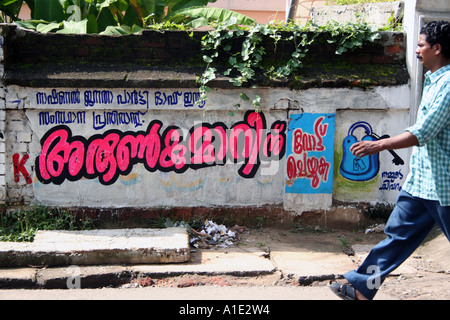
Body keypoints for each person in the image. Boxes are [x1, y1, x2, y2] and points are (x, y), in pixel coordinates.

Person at [329, 20, 450, 300]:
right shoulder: (434, 81)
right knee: (396, 238)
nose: (417, 51)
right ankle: (361, 288)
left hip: (444, 186)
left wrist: (378, 145)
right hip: (421, 181)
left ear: (437, 48)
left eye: (421, 45)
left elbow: (424, 131)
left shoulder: (447, 85)